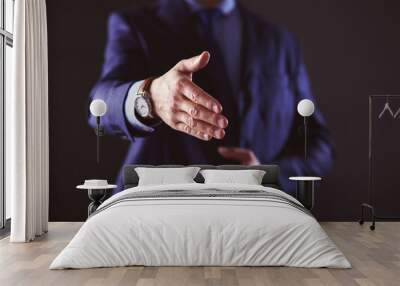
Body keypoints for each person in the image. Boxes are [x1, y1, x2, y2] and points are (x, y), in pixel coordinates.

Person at [89, 0, 334, 194]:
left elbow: (317, 144)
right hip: (161, 211)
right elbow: (100, 106)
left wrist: (268, 174)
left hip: (255, 217)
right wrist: (150, 97)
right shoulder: (135, 25)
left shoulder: (280, 41)